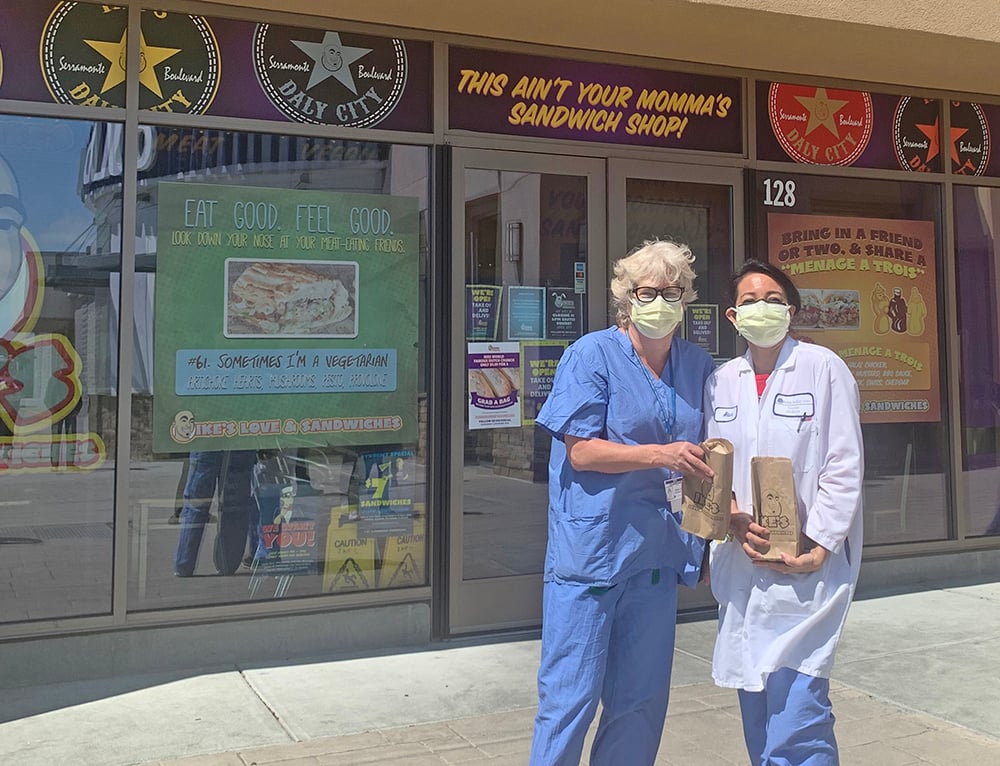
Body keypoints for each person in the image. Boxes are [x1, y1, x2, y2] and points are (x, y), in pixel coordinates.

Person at [529, 239, 716, 766]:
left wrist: (704, 536)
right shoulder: (591, 354)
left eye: (671, 290)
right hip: (592, 555)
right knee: (569, 701)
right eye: (647, 291)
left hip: (655, 555)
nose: (659, 299)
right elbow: (582, 451)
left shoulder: (697, 364)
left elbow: (710, 457)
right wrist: (660, 453)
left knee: (640, 703)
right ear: (626, 298)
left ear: (686, 298)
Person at [704, 260, 864, 765]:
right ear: (732, 316)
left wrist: (819, 544)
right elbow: (712, 463)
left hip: (806, 573)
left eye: (773, 299)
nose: (762, 309)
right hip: (741, 566)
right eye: (749, 301)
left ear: (791, 311)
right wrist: (726, 512)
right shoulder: (720, 381)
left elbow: (843, 462)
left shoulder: (821, 367)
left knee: (798, 717)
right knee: (755, 703)